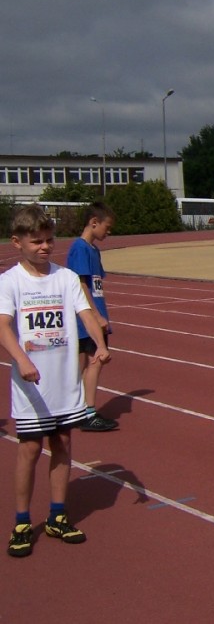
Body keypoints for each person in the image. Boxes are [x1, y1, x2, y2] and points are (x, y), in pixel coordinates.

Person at [1, 205, 111, 557]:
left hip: (65, 380)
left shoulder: (65, 278)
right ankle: (21, 521)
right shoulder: (10, 281)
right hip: (32, 383)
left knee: (62, 442)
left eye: (49, 240)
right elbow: (3, 326)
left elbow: (86, 313)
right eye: (37, 241)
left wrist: (100, 344)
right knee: (30, 449)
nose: (45, 247)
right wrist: (21, 359)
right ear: (17, 242)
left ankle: (57, 515)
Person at [66, 202, 119, 432]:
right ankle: (87, 412)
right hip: (86, 318)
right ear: (94, 222)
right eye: (107, 227)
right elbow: (80, 284)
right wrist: (96, 315)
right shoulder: (80, 248)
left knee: (89, 363)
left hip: (93, 313)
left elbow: (95, 285)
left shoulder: (93, 250)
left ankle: (78, 409)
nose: (109, 232)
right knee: (94, 361)